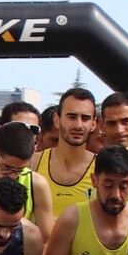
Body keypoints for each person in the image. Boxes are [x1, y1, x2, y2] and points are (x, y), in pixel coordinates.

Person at [37, 89, 101, 223]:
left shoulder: (102, 169)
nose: (78, 125)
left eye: (85, 118)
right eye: (72, 117)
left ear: (93, 124)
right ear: (57, 120)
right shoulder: (33, 164)